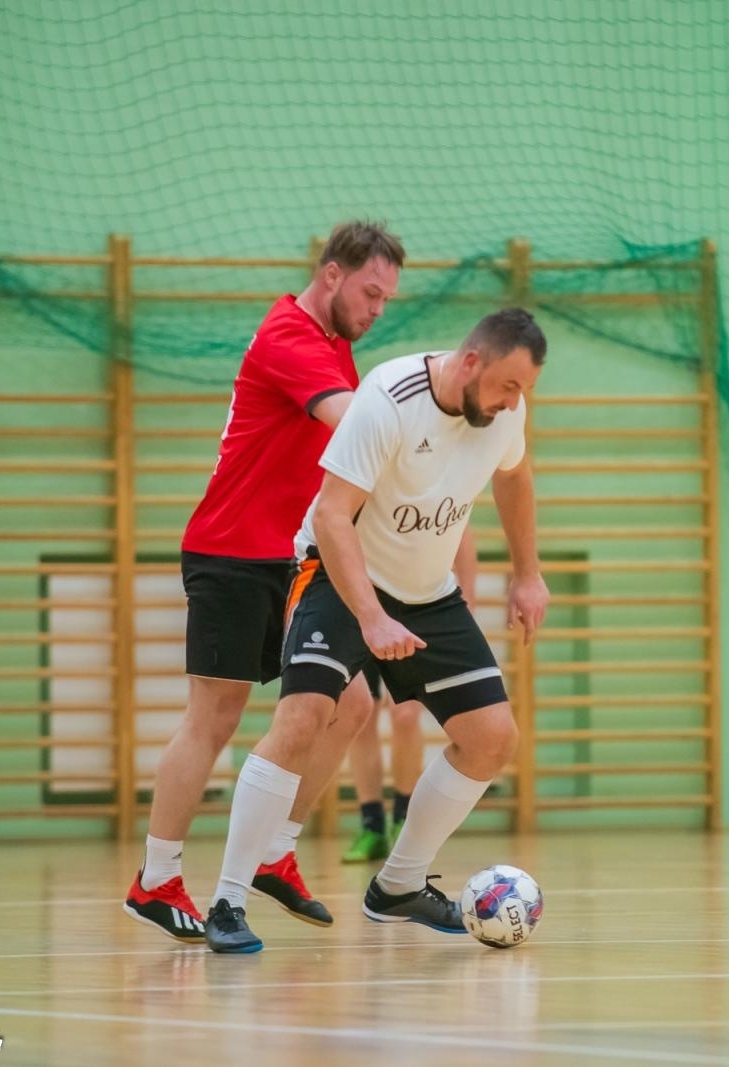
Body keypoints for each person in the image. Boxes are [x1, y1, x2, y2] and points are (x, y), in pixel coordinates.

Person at [202, 307, 549, 953]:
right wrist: (370, 616)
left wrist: (527, 573)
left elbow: (514, 477)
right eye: (508, 385)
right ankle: (226, 897)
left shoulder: (505, 413)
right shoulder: (389, 397)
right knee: (306, 714)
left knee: (492, 739)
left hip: (427, 591)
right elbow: (332, 516)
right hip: (338, 573)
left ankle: (397, 885)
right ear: (471, 361)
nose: (513, 401)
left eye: (523, 390)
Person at [123, 220, 405, 943]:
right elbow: (351, 425)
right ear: (332, 274)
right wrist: (427, 425)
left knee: (349, 705)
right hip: (230, 554)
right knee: (213, 718)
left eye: (386, 299)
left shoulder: (338, 345)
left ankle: (277, 851)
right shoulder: (289, 334)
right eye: (370, 292)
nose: (377, 309)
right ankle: (156, 877)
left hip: (290, 560)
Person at [342, 533, 478, 863]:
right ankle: (371, 824)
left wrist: (467, 604)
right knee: (362, 716)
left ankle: (404, 817)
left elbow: (463, 539)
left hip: (415, 607)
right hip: (360, 607)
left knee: (405, 715)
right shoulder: (359, 484)